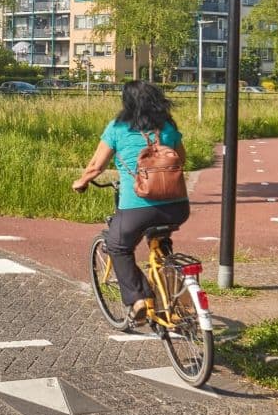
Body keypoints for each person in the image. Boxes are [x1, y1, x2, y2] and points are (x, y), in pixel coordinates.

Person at [72, 79, 190, 325]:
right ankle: (173, 300)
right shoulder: (167, 126)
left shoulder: (117, 128)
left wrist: (81, 181)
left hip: (137, 208)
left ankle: (138, 299)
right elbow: (181, 159)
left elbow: (96, 165)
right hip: (177, 207)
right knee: (160, 242)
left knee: (118, 246)